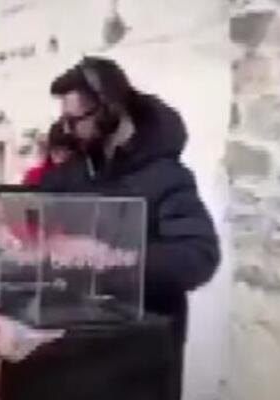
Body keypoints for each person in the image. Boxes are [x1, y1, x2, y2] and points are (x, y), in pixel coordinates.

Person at [39, 57, 221, 399]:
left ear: (109, 111)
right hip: (82, 349)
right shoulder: (80, 168)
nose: (67, 130)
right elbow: (42, 195)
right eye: (63, 121)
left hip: (140, 359)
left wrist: (115, 260)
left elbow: (199, 256)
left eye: (75, 120)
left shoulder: (167, 177)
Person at [22, 120, 78, 186]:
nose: (61, 158)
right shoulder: (34, 177)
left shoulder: (82, 177)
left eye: (67, 152)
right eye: (56, 152)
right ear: (50, 150)